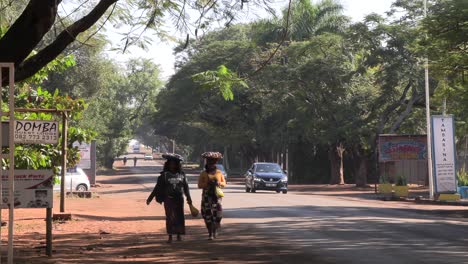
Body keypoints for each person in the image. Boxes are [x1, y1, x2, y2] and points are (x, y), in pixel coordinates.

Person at [146, 153, 192, 243]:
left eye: (174, 164)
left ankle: (179, 235)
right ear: (167, 165)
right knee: (170, 217)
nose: (172, 165)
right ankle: (170, 236)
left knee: (179, 217)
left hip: (179, 199)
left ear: (177, 165)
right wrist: (150, 198)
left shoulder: (182, 175)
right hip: (168, 199)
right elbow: (157, 188)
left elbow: (186, 187)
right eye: (170, 164)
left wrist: (189, 198)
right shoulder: (164, 175)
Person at [198, 152, 226, 240]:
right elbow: (199, 185)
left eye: (213, 162)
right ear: (207, 162)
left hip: (217, 197)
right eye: (209, 161)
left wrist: (219, 183)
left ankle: (215, 229)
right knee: (208, 215)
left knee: (218, 215)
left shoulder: (219, 173)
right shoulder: (203, 173)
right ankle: (211, 233)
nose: (211, 163)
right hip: (206, 197)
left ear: (215, 163)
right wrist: (206, 184)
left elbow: (224, 183)